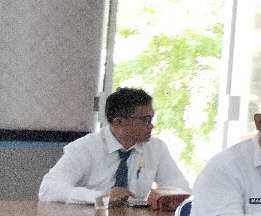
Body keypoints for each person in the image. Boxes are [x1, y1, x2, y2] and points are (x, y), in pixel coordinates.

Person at [38, 87, 190, 205]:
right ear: (118, 122)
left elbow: (181, 190)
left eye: (151, 119)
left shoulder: (157, 148)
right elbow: (48, 189)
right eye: (146, 120)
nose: (151, 126)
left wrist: (162, 198)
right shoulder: (84, 148)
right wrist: (101, 197)